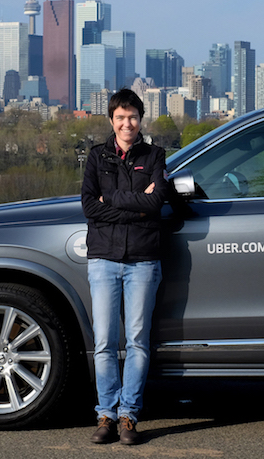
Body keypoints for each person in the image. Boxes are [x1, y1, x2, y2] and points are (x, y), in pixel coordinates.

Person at [81, 88, 168, 445]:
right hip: (103, 260)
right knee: (104, 342)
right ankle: (106, 414)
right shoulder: (97, 157)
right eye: (120, 117)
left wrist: (113, 199)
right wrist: (136, 203)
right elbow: (89, 205)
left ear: (140, 119)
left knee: (137, 341)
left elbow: (157, 201)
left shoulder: (155, 156)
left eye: (132, 116)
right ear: (111, 120)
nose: (126, 123)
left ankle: (129, 415)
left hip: (143, 261)